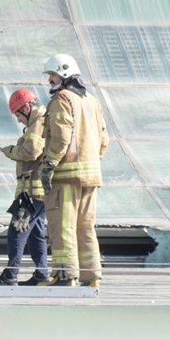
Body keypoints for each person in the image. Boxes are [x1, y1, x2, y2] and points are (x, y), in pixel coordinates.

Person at [40, 54, 109, 289]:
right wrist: (91, 161)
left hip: (66, 177)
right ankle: (92, 277)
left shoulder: (62, 99)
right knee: (86, 227)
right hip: (90, 176)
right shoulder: (92, 101)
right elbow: (104, 140)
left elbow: (60, 138)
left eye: (53, 74)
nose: (50, 79)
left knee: (63, 226)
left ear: (65, 73)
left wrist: (49, 165)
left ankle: (65, 275)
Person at [0, 89, 50, 286]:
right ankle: (42, 273)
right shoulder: (40, 121)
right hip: (37, 190)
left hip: (33, 191)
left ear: (27, 107)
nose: (18, 120)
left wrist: (11, 151)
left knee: (17, 230)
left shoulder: (38, 122)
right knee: (35, 233)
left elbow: (32, 151)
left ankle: (10, 275)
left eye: (18, 114)